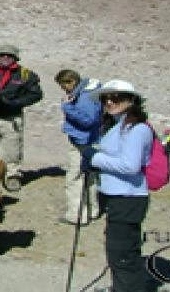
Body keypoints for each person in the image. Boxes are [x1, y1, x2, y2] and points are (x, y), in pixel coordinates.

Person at [80, 80, 153, 292]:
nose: (110, 102)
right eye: (106, 98)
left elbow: (130, 166)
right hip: (117, 196)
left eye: (117, 98)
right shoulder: (117, 126)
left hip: (128, 198)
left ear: (131, 100)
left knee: (123, 254)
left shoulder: (136, 129)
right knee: (118, 252)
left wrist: (95, 159)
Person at [0, 44, 43, 191]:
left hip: (11, 118)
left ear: (15, 58)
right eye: (2, 55)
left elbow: (36, 94)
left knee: (12, 149)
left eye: (9, 56)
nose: (5, 58)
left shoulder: (26, 75)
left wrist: (16, 103)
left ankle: (12, 176)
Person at [56, 69, 102, 226]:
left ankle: (77, 214)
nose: (64, 90)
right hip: (91, 139)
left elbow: (88, 120)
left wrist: (67, 107)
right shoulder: (90, 92)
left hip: (83, 141)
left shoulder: (85, 98)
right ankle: (92, 209)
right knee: (90, 176)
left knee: (75, 177)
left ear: (71, 82)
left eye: (64, 86)